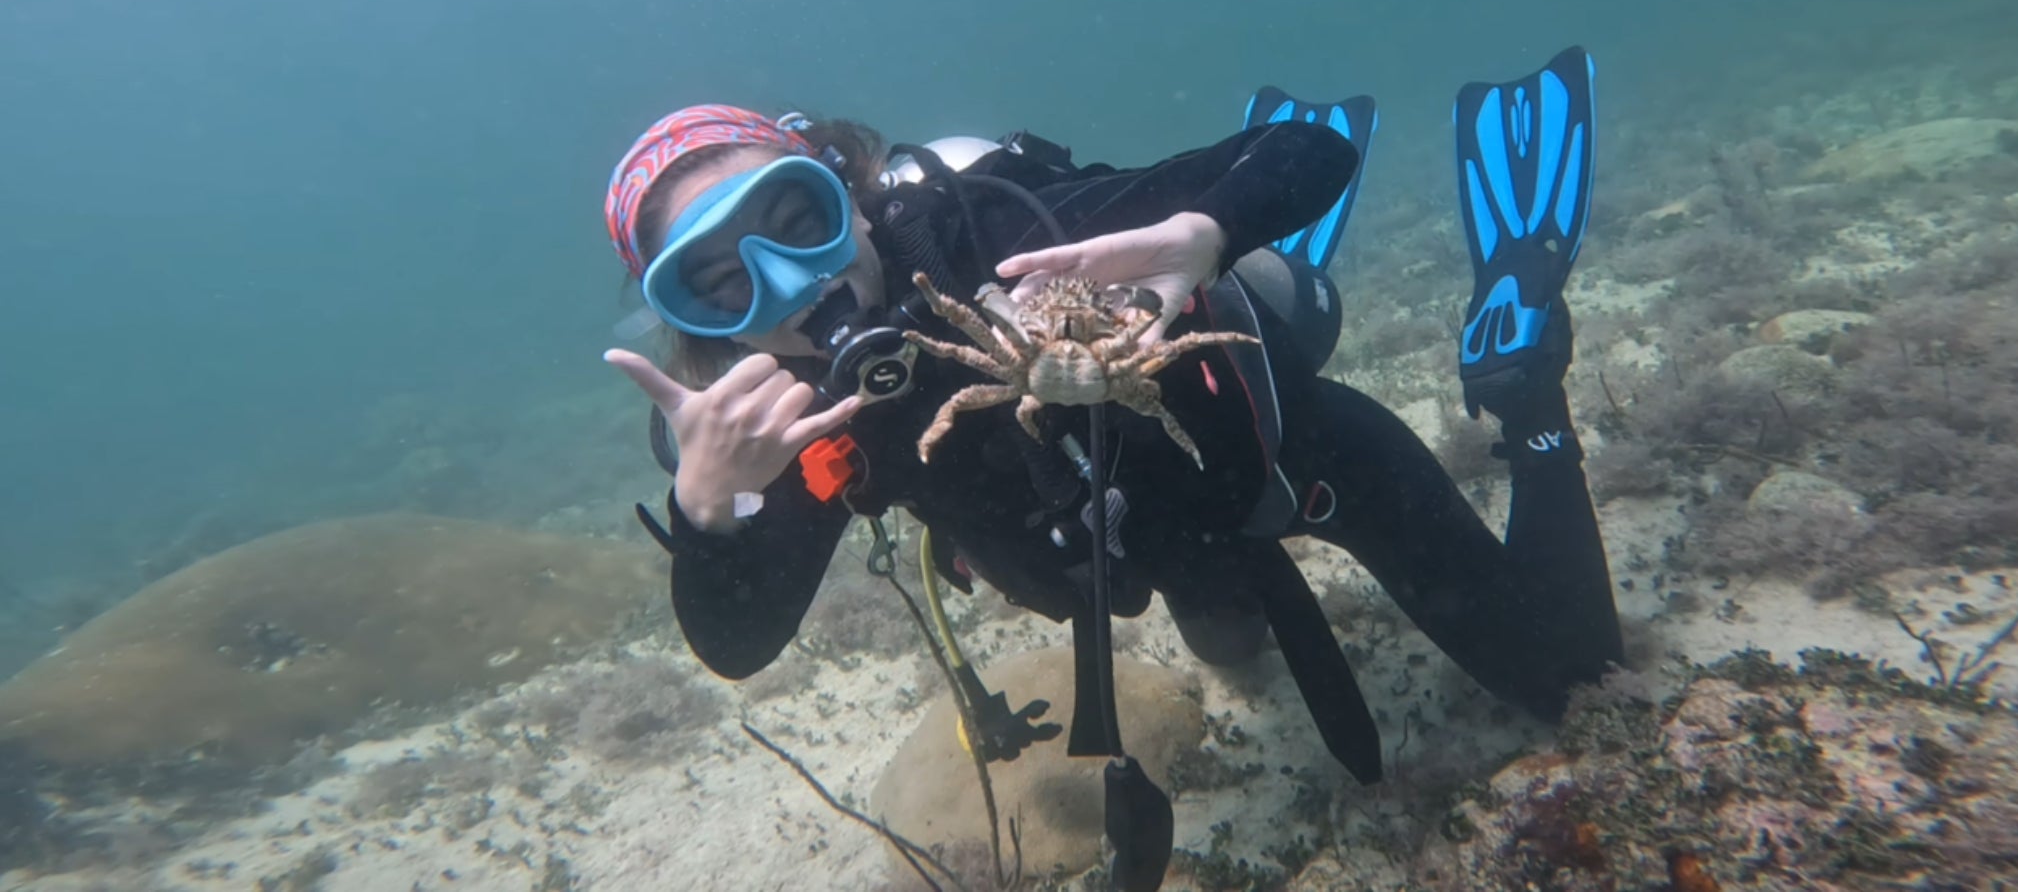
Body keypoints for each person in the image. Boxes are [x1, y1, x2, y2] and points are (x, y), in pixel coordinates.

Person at [600, 49, 1623, 787]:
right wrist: (708, 511)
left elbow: (1302, 150)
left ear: (850, 191)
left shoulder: (1005, 234)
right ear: (707, 330)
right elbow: (735, 646)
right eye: (722, 283)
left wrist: (1205, 229)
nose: (791, 283)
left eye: (797, 219)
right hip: (1158, 545)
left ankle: (1518, 375)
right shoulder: (802, 423)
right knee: (1230, 655)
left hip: (1285, 451)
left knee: (1567, 676)